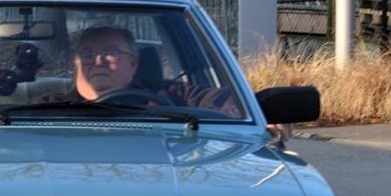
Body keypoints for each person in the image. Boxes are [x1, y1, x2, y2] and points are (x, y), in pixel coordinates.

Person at [34, 25, 292, 141]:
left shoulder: (171, 95)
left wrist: (262, 114)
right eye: (88, 54)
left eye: (110, 53)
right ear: (78, 64)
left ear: (133, 62)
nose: (97, 61)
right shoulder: (44, 109)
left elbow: (225, 102)